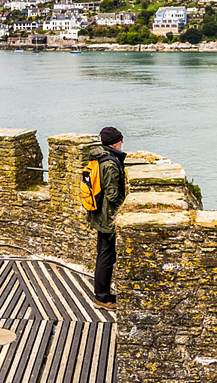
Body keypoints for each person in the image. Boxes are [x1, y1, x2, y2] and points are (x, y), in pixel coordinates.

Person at [87, 126, 128, 310]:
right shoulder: (110, 163)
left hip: (99, 215)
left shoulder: (99, 157)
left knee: (103, 254)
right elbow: (112, 196)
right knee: (106, 256)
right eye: (121, 140)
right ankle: (101, 298)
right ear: (115, 142)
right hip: (107, 217)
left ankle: (103, 293)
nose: (122, 143)